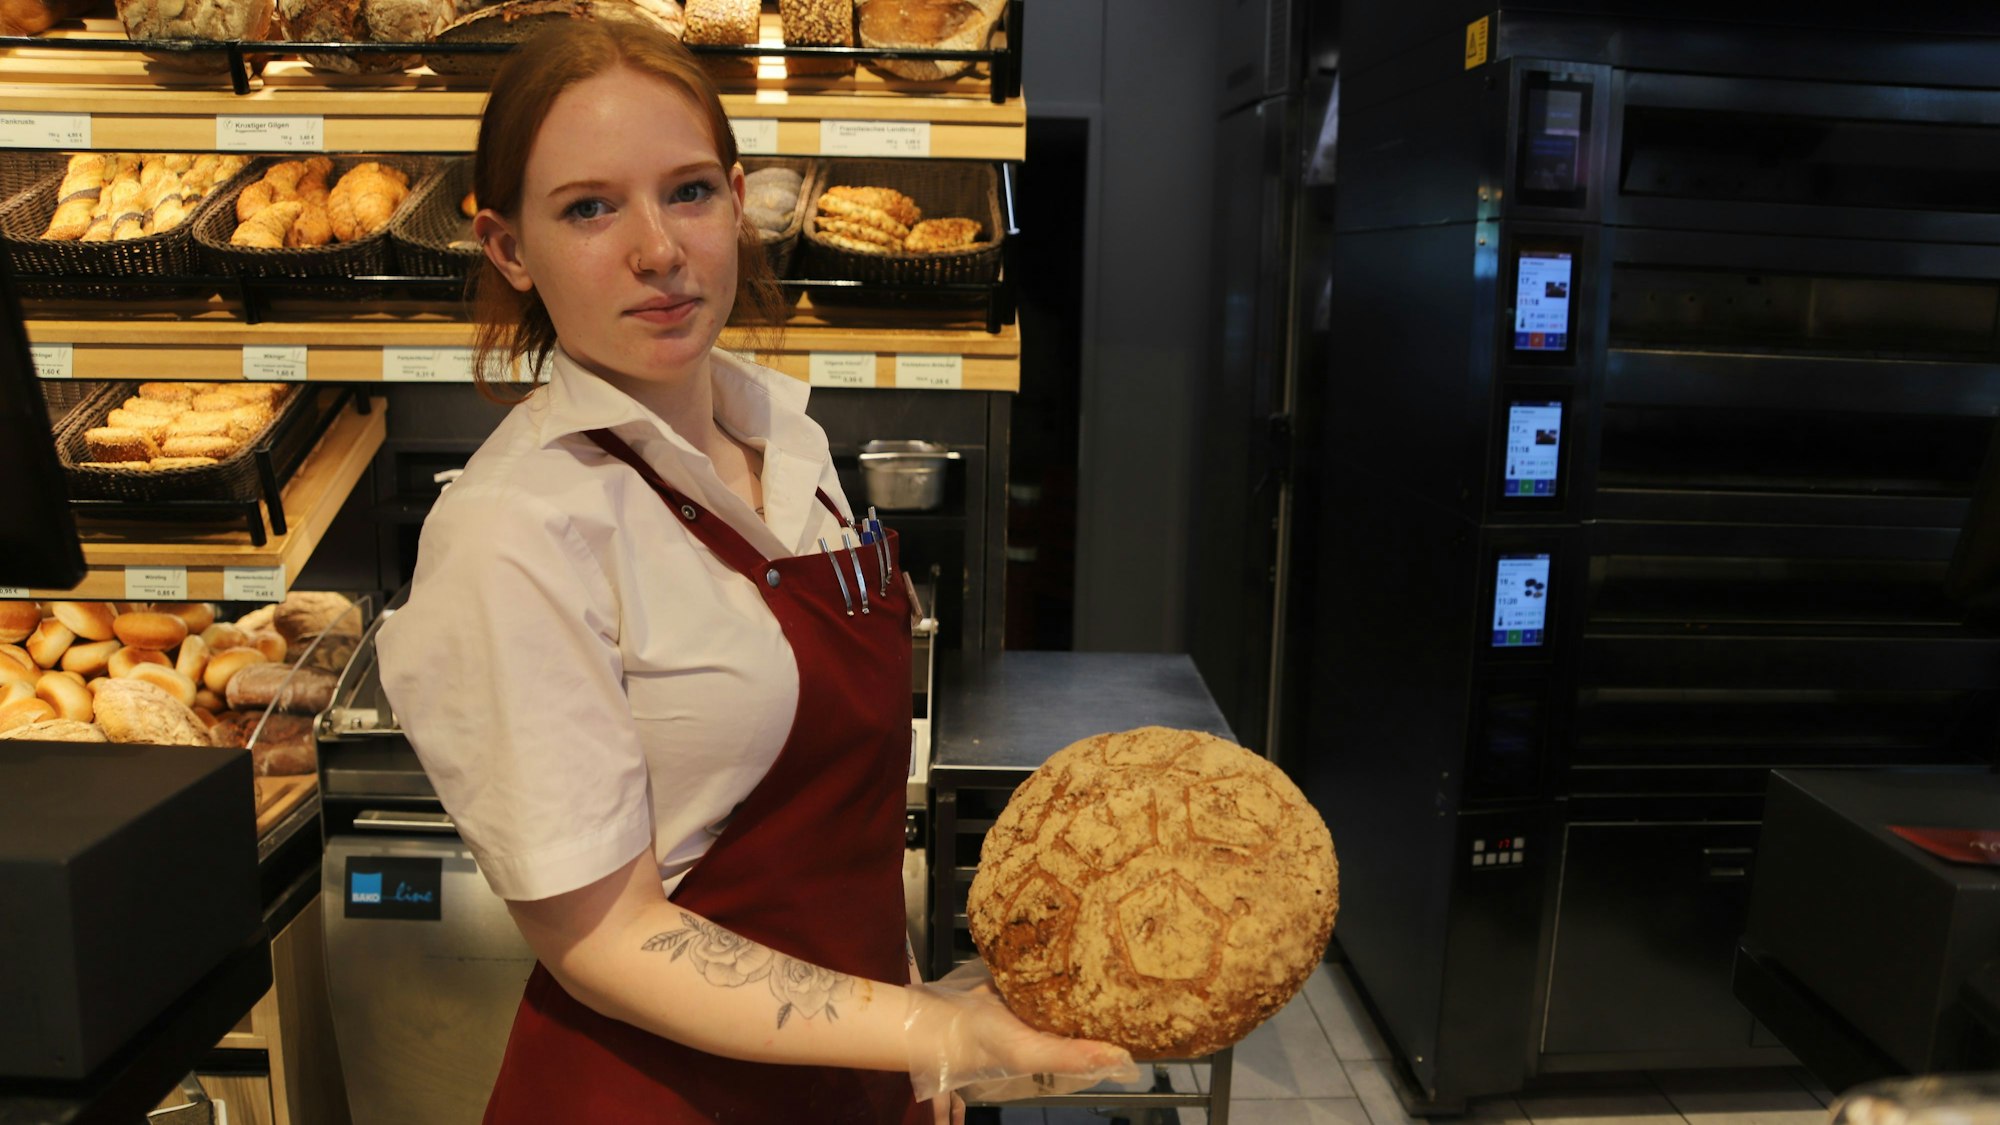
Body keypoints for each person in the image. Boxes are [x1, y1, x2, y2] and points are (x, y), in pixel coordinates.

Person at [374, 19, 1136, 1125]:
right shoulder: (515, 532)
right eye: (588, 208)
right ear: (506, 249)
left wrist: (919, 1030)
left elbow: (842, 835)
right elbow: (605, 939)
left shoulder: (790, 442)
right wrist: (938, 1033)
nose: (656, 249)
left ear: (736, 201)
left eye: (686, 192)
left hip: (854, 1076)